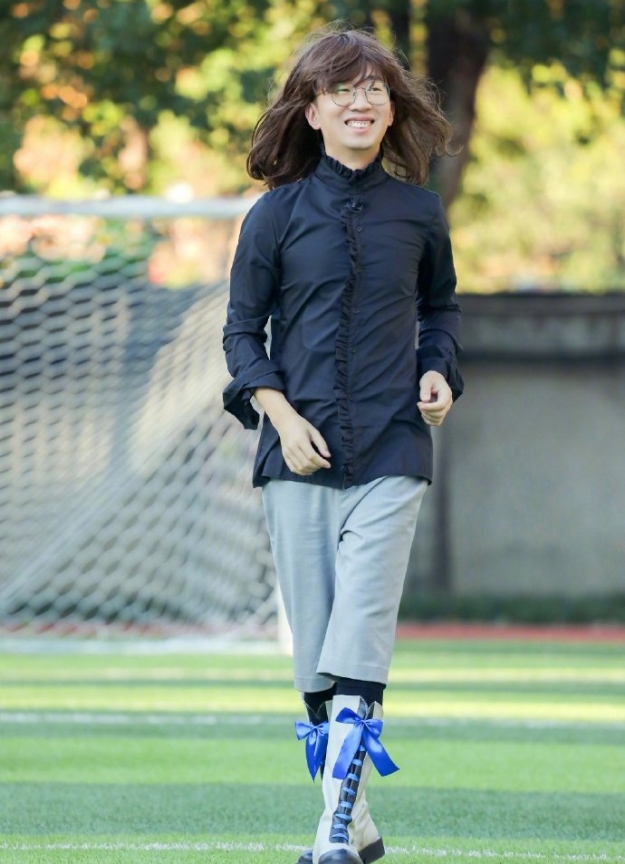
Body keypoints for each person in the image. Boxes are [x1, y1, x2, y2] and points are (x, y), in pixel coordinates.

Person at [223, 22, 463, 864]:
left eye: (374, 89)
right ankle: (355, 823)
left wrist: (437, 371)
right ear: (312, 109)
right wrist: (281, 420)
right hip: (295, 457)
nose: (361, 102)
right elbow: (241, 335)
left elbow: (441, 310)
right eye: (342, 89)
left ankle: (329, 833)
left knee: (361, 631)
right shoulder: (274, 216)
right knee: (315, 657)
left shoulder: (420, 212)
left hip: (394, 450)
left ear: (391, 109)